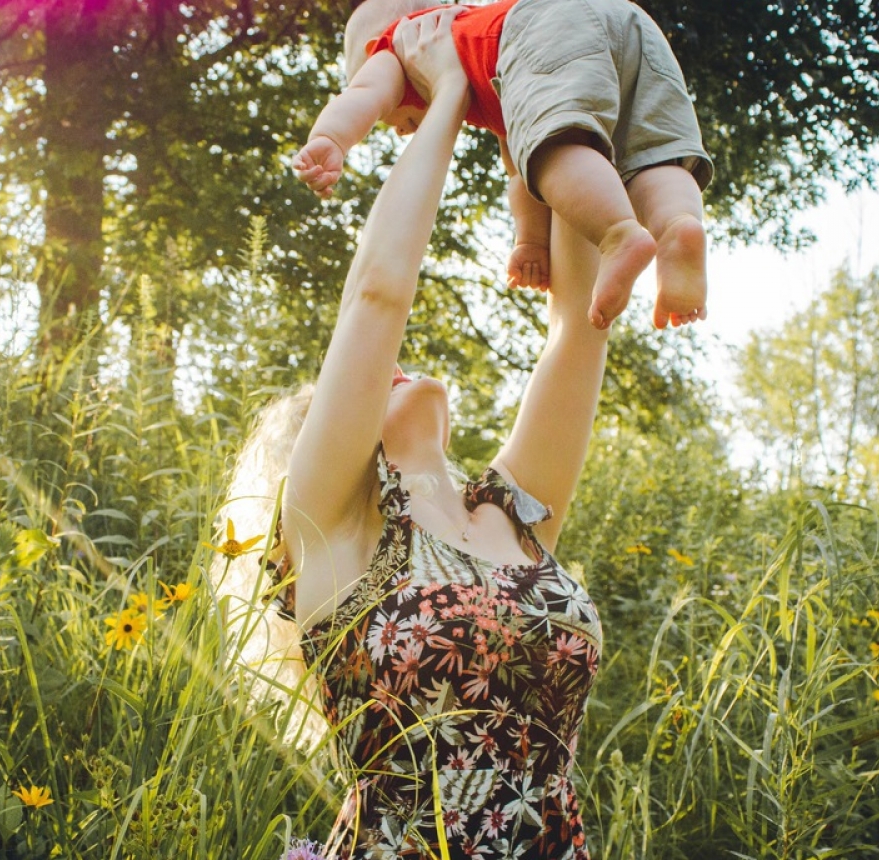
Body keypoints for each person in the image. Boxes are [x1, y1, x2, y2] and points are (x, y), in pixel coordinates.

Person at [220, 12, 606, 857]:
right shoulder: (335, 528)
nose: (389, 368)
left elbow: (580, 325)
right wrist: (447, 100)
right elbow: (378, 297)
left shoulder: (514, 517)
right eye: (359, 388)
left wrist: (543, 100)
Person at [292, 0, 713, 332]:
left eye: (392, 120)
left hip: (545, 22)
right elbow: (520, 173)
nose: (400, 131)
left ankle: (619, 234)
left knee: (554, 151)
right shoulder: (487, 53)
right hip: (628, 21)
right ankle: (678, 226)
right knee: (650, 152)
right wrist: (530, 242)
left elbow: (365, 92)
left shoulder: (402, 44)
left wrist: (330, 139)